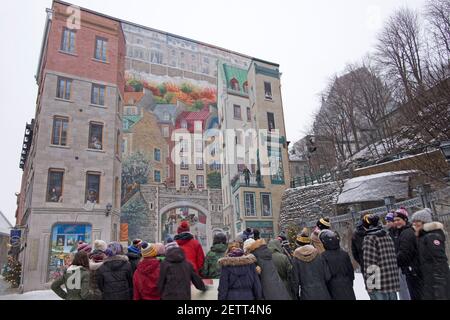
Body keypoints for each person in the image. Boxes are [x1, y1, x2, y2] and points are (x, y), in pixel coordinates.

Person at [412, 208, 450, 300]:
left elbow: (440, 259)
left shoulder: (431, 236)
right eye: (414, 221)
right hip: (430, 279)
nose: (415, 224)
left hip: (437, 280)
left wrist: (439, 281)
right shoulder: (424, 236)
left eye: (418, 221)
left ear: (425, 222)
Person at [362, 214, 399, 300]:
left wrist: (370, 285)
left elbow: (370, 263)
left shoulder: (369, 239)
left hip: (379, 283)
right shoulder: (387, 236)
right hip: (391, 279)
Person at [394, 207, 423, 300]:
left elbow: (404, 254)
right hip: (416, 269)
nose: (396, 222)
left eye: (398, 220)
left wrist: (396, 261)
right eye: (395, 220)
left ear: (405, 219)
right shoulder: (407, 231)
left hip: (413, 271)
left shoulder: (406, 233)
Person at [292, 231, 331, 300]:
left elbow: (295, 281)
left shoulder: (296, 259)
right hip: (323, 293)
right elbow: (327, 276)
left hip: (306, 295)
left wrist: (295, 295)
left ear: (298, 244)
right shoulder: (319, 255)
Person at [320, 230, 356, 300]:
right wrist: (349, 283)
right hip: (347, 284)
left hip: (333, 287)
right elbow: (351, 271)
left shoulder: (323, 256)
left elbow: (326, 276)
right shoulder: (344, 254)